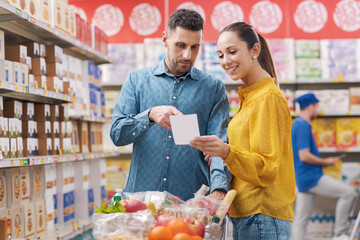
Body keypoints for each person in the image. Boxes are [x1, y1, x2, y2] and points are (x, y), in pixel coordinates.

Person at [110, 9, 230, 201]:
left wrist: (218, 189)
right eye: (180, 45)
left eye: (194, 47)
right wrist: (149, 115)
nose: (187, 55)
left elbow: (220, 145)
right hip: (141, 203)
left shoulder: (213, 88)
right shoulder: (137, 81)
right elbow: (117, 135)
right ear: (165, 39)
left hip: (191, 203)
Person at [190, 22, 295, 239]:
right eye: (220, 55)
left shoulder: (267, 97)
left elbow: (267, 168)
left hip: (262, 214)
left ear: (255, 50)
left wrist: (227, 151)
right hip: (249, 213)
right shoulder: (251, 97)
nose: (225, 61)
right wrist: (222, 154)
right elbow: (249, 155)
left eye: (232, 51)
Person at [291, 93, 357, 240]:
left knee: (301, 219)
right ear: (310, 106)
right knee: (348, 193)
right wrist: (327, 162)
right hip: (311, 177)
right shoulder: (302, 126)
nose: (319, 109)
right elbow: (304, 156)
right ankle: (340, 233)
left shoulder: (298, 124)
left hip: (303, 177)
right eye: (317, 106)